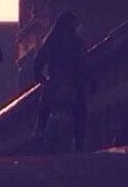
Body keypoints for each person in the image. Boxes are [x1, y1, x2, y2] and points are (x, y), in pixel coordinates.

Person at [33, 11, 89, 152]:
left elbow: (38, 61)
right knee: (79, 111)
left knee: (44, 109)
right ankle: (79, 141)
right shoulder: (76, 41)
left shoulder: (51, 40)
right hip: (72, 82)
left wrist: (40, 77)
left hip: (54, 81)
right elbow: (83, 63)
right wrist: (88, 81)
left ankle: (39, 132)